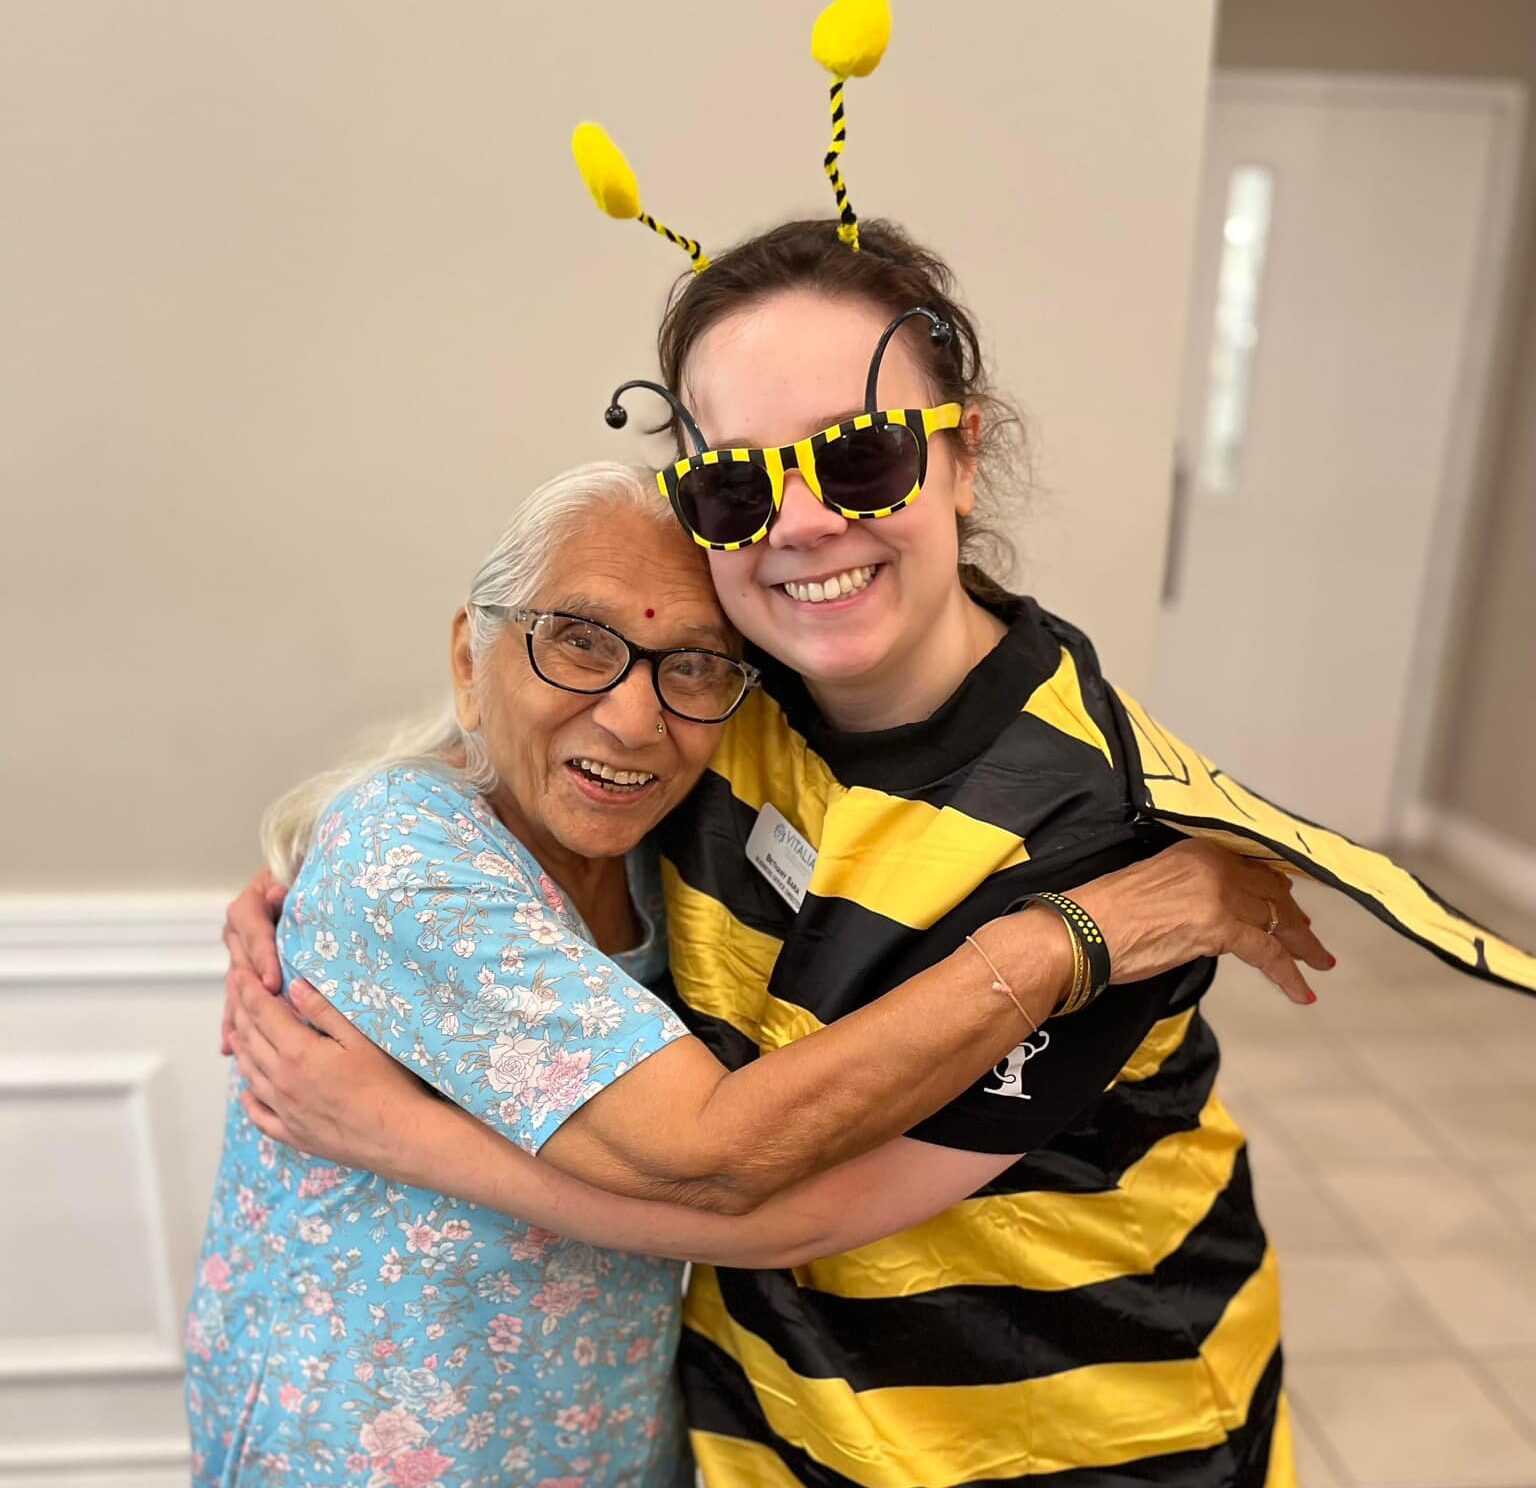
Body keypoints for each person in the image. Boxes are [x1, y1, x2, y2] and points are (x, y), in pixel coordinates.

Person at [220, 5, 1536, 1484]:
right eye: (731, 483)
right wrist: (318, 896)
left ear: (963, 455)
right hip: (772, 1430)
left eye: (857, 457)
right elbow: (524, 788)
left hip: (1072, 1440)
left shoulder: (1106, 832)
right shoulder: (717, 698)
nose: (796, 526)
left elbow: (778, 1200)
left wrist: (388, 1128)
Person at [193, 462, 1314, 1488]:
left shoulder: (670, 837)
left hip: (614, 1432)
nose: (633, 715)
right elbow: (715, 1159)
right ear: (469, 654)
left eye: (691, 664)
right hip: (365, 1448)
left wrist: (399, 1131)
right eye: (576, 640)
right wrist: (1072, 933)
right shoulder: (406, 862)